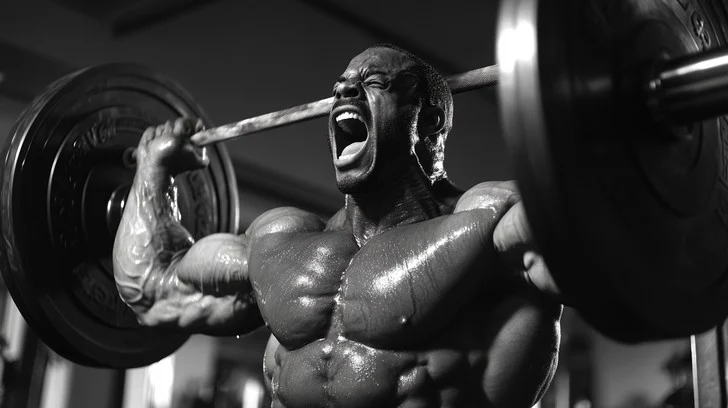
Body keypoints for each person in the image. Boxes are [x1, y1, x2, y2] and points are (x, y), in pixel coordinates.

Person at [113, 44, 563, 408]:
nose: (346, 94)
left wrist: (615, 118)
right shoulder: (281, 241)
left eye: (372, 83)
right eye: (340, 88)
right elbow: (153, 289)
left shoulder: (487, 222)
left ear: (426, 120)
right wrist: (152, 170)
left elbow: (602, 240)